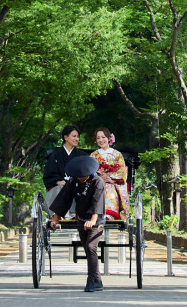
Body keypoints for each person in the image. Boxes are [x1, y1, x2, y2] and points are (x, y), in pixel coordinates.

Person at [50, 154, 105, 292]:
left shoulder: (98, 182)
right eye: (78, 176)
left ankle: (91, 281)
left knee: (91, 247)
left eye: (83, 176)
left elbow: (97, 202)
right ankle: (98, 280)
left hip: (96, 220)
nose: (81, 178)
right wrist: (55, 219)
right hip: (81, 219)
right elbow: (63, 200)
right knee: (88, 249)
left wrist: (92, 221)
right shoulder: (73, 182)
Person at [90, 127, 130, 220]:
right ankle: (98, 212)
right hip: (98, 180)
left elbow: (122, 170)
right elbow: (90, 170)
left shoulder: (117, 154)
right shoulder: (93, 155)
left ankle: (110, 213)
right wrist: (99, 177)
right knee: (101, 185)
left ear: (109, 138)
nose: (101, 140)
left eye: (103, 137)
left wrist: (111, 179)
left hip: (114, 181)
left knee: (109, 187)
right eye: (98, 138)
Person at [43, 125, 83, 214]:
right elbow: (48, 174)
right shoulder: (55, 155)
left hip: (77, 185)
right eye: (74, 136)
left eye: (77, 136)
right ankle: (58, 214)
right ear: (66, 137)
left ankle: (75, 214)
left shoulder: (82, 155)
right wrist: (57, 181)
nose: (76, 139)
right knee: (60, 189)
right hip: (59, 186)